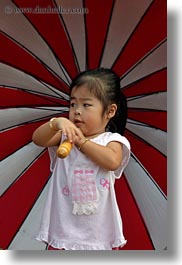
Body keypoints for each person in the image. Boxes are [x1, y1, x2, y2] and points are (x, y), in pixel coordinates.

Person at [32, 68, 130, 250]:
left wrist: (82, 142)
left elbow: (112, 161)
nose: (77, 111)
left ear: (110, 111)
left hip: (97, 230)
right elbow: (38, 139)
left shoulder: (111, 140)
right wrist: (56, 123)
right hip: (64, 225)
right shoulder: (64, 136)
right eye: (72, 104)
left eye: (86, 105)